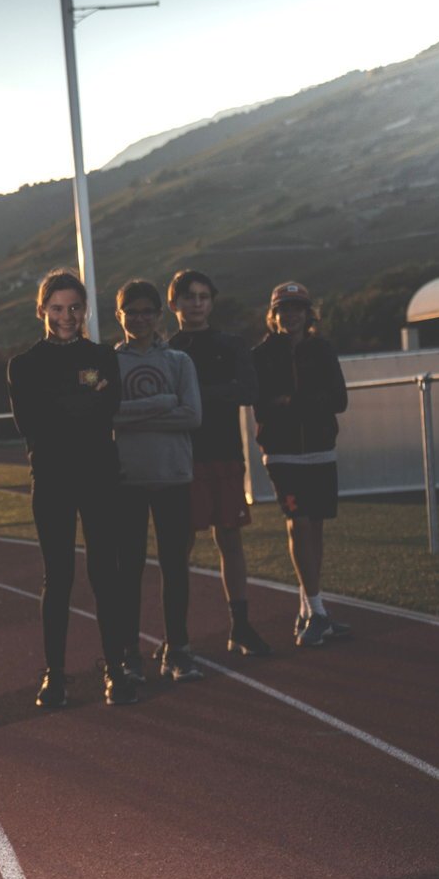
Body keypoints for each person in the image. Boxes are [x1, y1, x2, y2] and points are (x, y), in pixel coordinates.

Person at [7, 271, 136, 708]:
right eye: (58, 308)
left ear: (85, 310)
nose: (67, 316)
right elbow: (32, 424)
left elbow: (108, 409)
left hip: (99, 477)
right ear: (42, 309)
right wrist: (81, 402)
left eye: (75, 308)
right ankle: (55, 675)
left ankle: (116, 669)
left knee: (106, 573)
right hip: (52, 479)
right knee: (57, 576)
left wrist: (65, 405)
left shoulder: (104, 356)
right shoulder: (23, 365)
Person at [167, 269, 270, 655]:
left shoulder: (231, 344)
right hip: (184, 460)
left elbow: (248, 390)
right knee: (181, 547)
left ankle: (240, 626)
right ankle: (177, 636)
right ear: (173, 303)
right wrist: (215, 393)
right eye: (189, 297)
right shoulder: (168, 351)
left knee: (231, 539)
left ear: (212, 301)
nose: (197, 303)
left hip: (225, 456)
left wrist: (193, 395)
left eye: (204, 297)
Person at [110, 281, 204, 683]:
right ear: (120, 316)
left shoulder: (180, 361)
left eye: (147, 311)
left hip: (173, 476)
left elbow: (192, 416)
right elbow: (105, 415)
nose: (140, 318)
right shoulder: (109, 362)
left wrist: (133, 414)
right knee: (128, 569)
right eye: (131, 311)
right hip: (127, 479)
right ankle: (130, 651)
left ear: (158, 315)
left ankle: (177, 648)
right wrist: (163, 402)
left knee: (175, 567)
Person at [253, 281, 351, 648]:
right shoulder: (261, 355)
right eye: (283, 309)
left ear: (309, 313)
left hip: (322, 449)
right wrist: (307, 402)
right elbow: (262, 404)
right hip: (282, 453)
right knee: (298, 524)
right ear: (273, 314)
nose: (290, 315)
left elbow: (339, 400)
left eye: (297, 308)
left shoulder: (322, 350)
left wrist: (291, 402)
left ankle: (308, 610)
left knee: (317, 527)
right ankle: (319, 611)